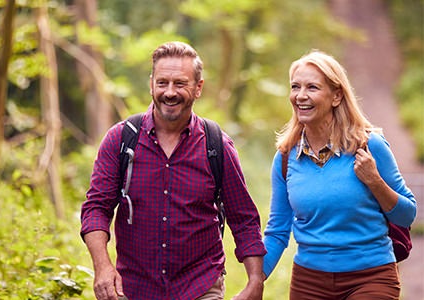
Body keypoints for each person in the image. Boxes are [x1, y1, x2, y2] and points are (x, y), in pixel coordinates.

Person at [80, 41, 267, 300]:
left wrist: (255, 280)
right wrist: (102, 268)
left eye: (180, 83)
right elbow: (96, 208)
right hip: (133, 288)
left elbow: (244, 218)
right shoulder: (121, 140)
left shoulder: (217, 145)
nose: (170, 92)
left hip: (200, 287)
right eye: (162, 83)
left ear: (198, 87)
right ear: (151, 84)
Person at [262, 49, 417, 299]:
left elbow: (407, 214)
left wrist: (375, 181)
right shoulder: (285, 157)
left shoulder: (369, 146)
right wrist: (256, 279)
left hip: (371, 276)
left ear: (336, 96)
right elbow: (278, 230)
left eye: (312, 87)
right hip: (309, 281)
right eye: (295, 87)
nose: (300, 96)